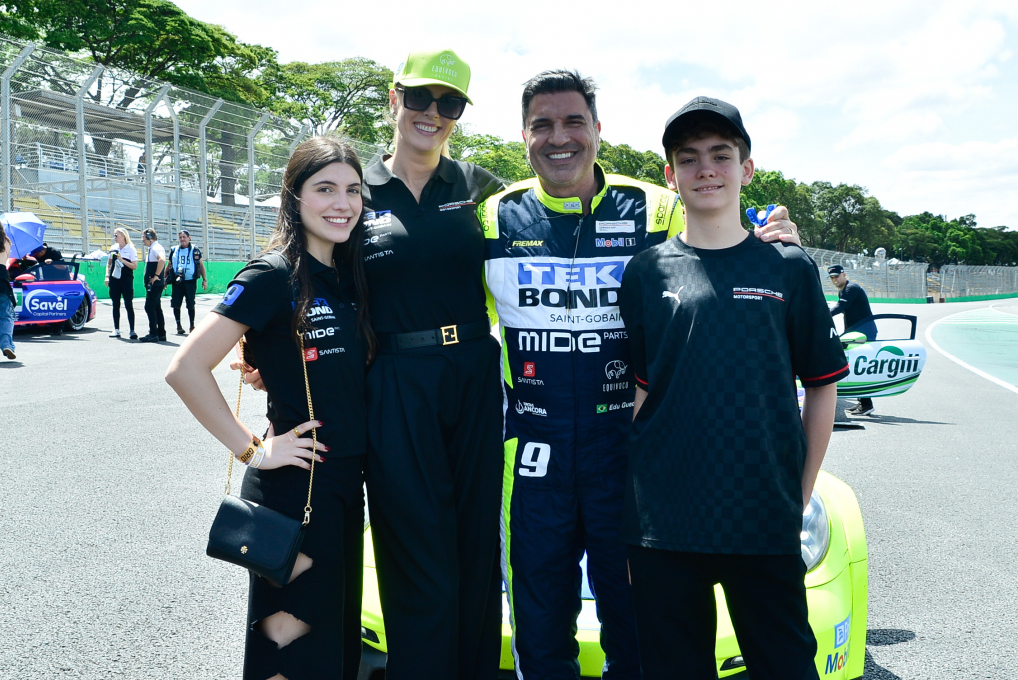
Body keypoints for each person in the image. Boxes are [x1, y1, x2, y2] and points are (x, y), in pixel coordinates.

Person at [480, 72, 801, 679]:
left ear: (598, 130)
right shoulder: (495, 217)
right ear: (523, 135)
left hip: (632, 455)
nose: (560, 138)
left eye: (574, 121)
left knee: (637, 626)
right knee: (540, 628)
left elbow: (727, 220)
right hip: (531, 456)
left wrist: (777, 234)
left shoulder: (654, 205)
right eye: (543, 124)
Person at [618, 96, 847, 680]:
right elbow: (644, 392)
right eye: (689, 159)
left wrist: (799, 492)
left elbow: (822, 388)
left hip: (762, 515)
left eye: (721, 155)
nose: (706, 169)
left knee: (786, 667)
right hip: (664, 523)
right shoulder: (646, 271)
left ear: (746, 169)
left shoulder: (788, 268)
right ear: (671, 176)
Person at [165, 136, 375, 680]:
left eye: (352, 190)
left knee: (334, 648)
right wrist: (255, 451)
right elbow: (185, 368)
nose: (342, 203)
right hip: (294, 487)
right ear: (294, 196)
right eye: (324, 188)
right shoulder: (273, 274)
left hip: (346, 486)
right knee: (289, 647)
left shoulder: (350, 277)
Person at [360, 48, 506, 680]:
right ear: (394, 99)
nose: (432, 113)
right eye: (420, 98)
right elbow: (302, 268)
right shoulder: (353, 185)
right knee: (412, 542)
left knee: (476, 538)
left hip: (475, 371)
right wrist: (263, 346)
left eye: (448, 104)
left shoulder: (480, 187)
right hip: (395, 377)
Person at [828, 264, 876, 416]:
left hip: (864, 332)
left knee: (857, 365)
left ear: (844, 274)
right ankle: (864, 403)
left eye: (836, 276)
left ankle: (867, 404)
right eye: (832, 277)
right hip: (855, 332)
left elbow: (841, 307)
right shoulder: (843, 290)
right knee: (854, 365)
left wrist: (821, 316)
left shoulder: (851, 288)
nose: (835, 279)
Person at [166, 229, 207, 335]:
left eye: (184, 237)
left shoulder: (195, 250)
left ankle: (192, 325)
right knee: (176, 304)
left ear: (189, 238)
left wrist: (204, 280)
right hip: (177, 281)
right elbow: (169, 264)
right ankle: (178, 325)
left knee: (190, 304)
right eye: (180, 237)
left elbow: (201, 266)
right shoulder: (174, 250)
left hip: (190, 281)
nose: (182, 239)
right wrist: (165, 279)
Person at [104, 228, 139, 339]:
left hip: (126, 279)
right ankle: (116, 329)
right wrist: (107, 276)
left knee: (128, 304)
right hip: (115, 279)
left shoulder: (131, 249)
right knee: (115, 304)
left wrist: (122, 260)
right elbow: (109, 264)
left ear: (123, 236)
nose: (115, 237)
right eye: (114, 235)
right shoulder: (113, 248)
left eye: (117, 235)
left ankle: (132, 330)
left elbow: (134, 266)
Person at [0, 217, 18, 361]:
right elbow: (6, 260)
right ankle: (6, 344)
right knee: (4, 316)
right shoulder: (7, 242)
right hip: (2, 281)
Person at [140, 228, 167, 342]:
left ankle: (153, 333)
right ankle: (161, 333)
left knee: (149, 307)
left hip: (155, 284)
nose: (142, 240)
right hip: (156, 284)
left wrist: (156, 275)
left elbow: (162, 260)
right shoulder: (153, 248)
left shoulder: (156, 248)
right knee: (156, 308)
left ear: (150, 237)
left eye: (144, 237)